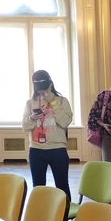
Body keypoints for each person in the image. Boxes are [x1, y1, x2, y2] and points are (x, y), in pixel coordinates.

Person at [22, 70, 73, 204]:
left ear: (50, 84)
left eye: (44, 88)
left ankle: (64, 218)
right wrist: (32, 118)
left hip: (58, 150)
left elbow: (64, 122)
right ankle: (40, 218)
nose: (41, 91)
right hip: (36, 150)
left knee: (62, 186)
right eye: (38, 89)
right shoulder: (30, 103)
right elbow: (25, 127)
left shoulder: (62, 101)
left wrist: (54, 103)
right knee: (38, 187)